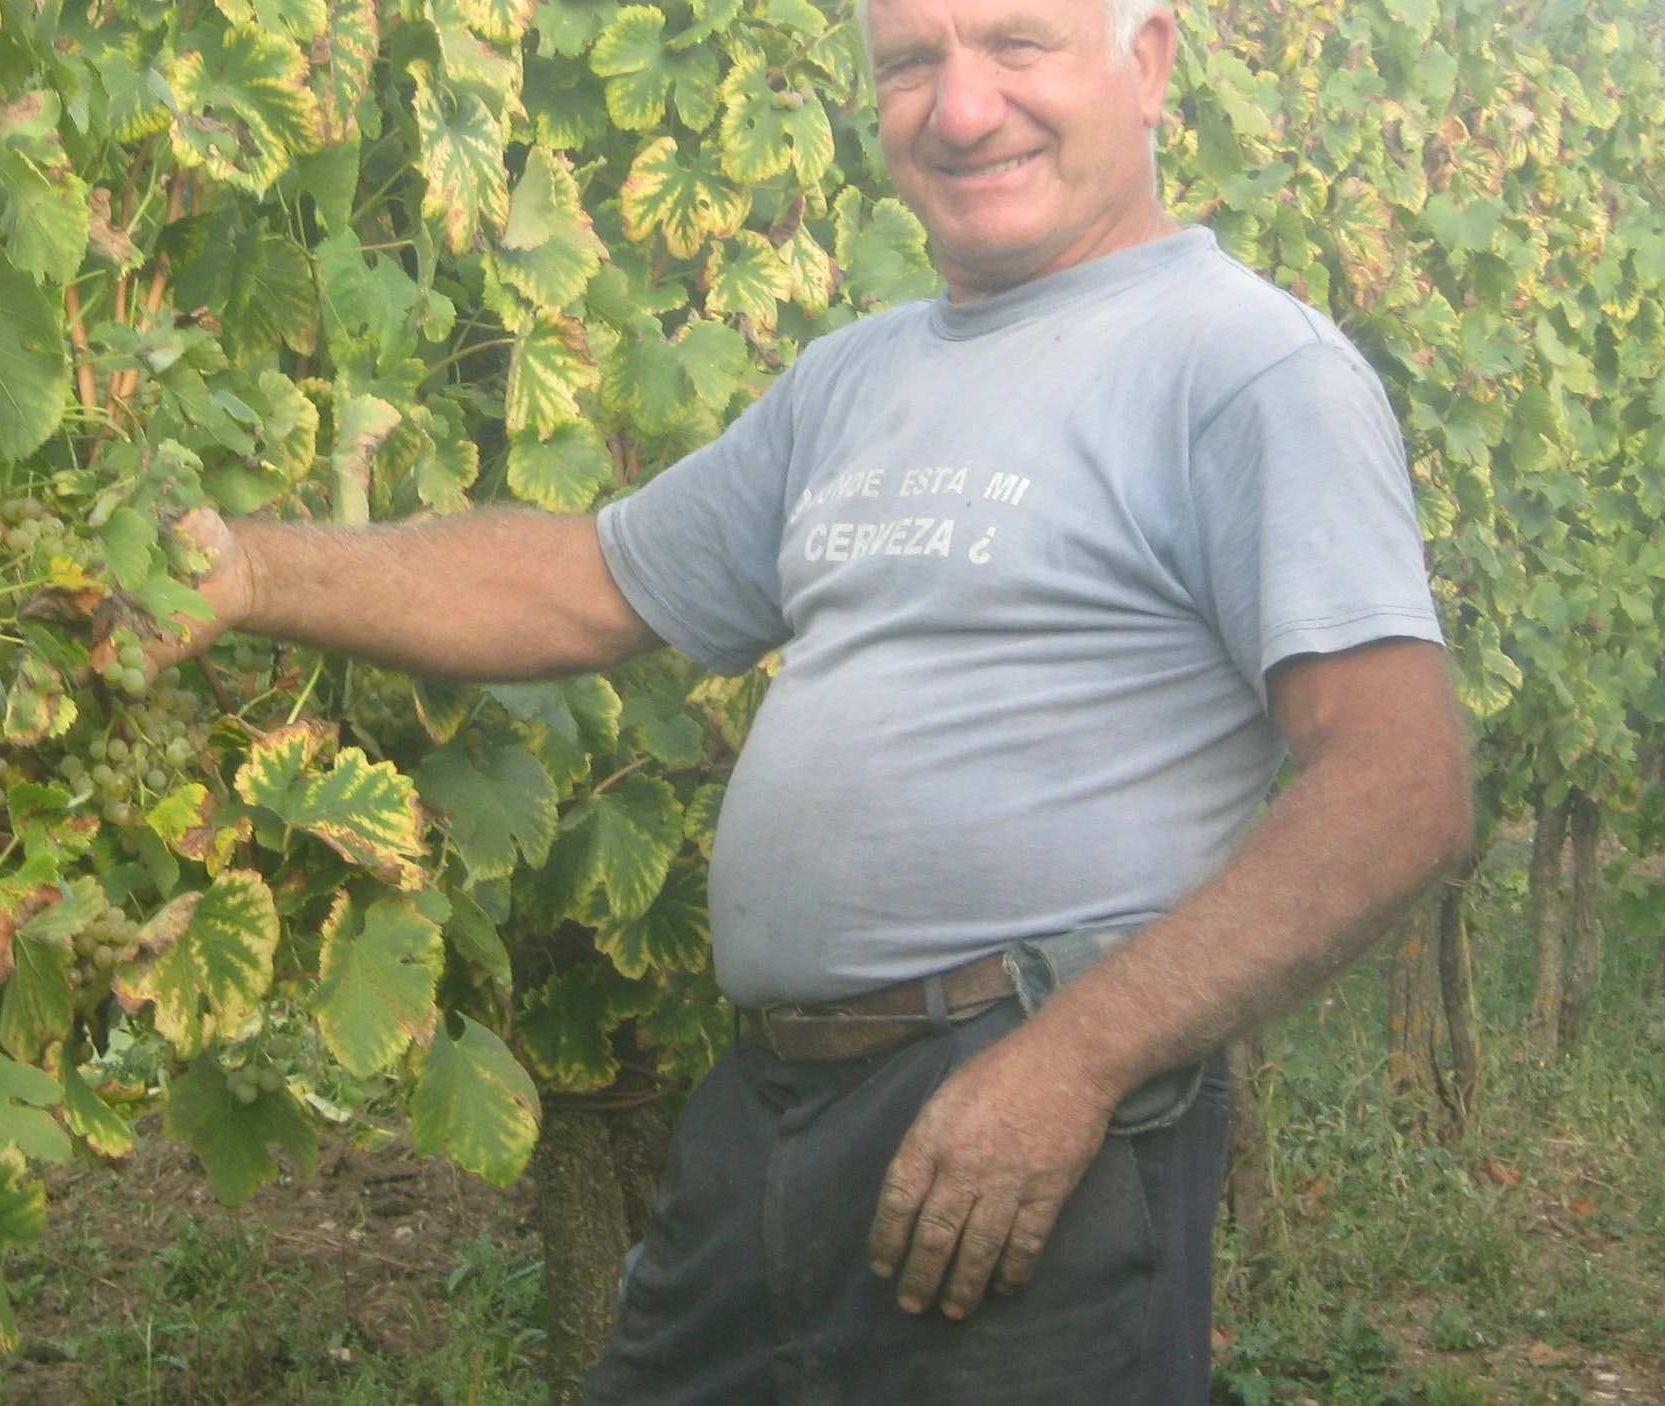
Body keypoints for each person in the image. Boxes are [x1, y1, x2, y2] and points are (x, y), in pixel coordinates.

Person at [149, 0, 1473, 1395]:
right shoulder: (855, 378)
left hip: (1023, 1121)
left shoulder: (1245, 367)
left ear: (1145, 64)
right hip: (768, 1116)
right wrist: (245, 568)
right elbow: (584, 582)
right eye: (912, 63)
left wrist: (1070, 1063)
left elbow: (1398, 789)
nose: (962, 109)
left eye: (1016, 46)